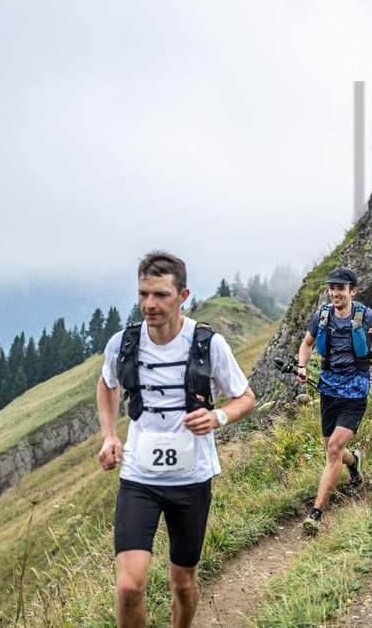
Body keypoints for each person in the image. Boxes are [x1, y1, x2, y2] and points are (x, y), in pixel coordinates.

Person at [97, 251, 257, 627]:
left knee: (182, 585)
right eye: (143, 294)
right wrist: (109, 436)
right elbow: (107, 384)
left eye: (160, 295)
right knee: (129, 587)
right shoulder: (123, 343)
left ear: (182, 295)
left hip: (191, 478)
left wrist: (217, 416)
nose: (149, 304)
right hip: (139, 477)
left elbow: (246, 398)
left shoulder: (207, 344)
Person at [296, 267, 372, 534]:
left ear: (353, 291)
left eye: (341, 288)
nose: (335, 293)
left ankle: (315, 514)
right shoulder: (322, 315)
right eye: (332, 288)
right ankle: (355, 464)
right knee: (333, 447)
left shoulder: (367, 316)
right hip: (328, 388)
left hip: (356, 389)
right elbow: (306, 344)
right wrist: (302, 367)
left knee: (332, 451)